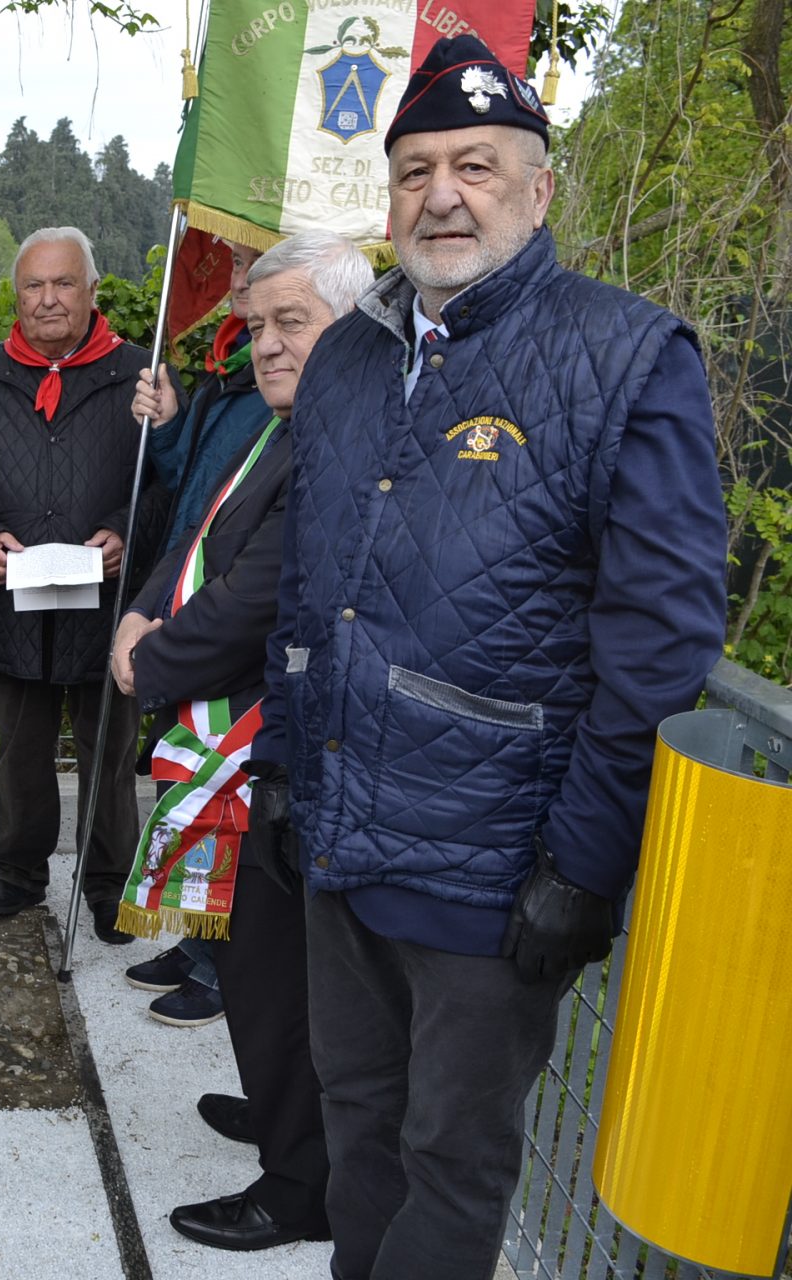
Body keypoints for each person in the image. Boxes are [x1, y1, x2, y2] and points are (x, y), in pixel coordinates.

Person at [255, 36, 729, 1279]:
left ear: (540, 188)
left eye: (476, 164)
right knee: (356, 1124)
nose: (442, 194)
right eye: (414, 171)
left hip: (492, 872)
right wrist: (290, 775)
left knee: (453, 1165)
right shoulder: (353, 351)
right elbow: (309, 586)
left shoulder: (629, 359)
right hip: (342, 844)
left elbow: (663, 641)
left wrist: (582, 863)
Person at [114, 230, 375, 1252]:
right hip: (252, 748)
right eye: (257, 326)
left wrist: (153, 659)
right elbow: (199, 537)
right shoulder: (278, 424)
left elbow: (257, 591)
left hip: (290, 748)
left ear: (351, 328)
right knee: (258, 962)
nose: (265, 345)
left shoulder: (343, 439)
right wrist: (139, 616)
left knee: (284, 976)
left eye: (291, 323)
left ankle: (298, 1182)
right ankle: (278, 1117)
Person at [0, 226, 161, 944]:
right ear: (16, 295)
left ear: (93, 291)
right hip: (10, 607)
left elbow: (171, 476)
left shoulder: (142, 377)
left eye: (63, 284)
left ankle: (111, 880)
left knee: (109, 756)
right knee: (19, 750)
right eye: (34, 285)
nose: (48, 298)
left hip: (109, 609)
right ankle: (21, 872)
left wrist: (128, 529)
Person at [119, 238, 271, 1028]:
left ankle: (220, 963)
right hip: (187, 589)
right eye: (236, 266)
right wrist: (174, 427)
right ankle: (194, 932)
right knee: (187, 777)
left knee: (219, 784)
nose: (236, 278)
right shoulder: (229, 365)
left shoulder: (272, 380)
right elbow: (193, 489)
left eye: (254, 263)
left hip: (225, 611)